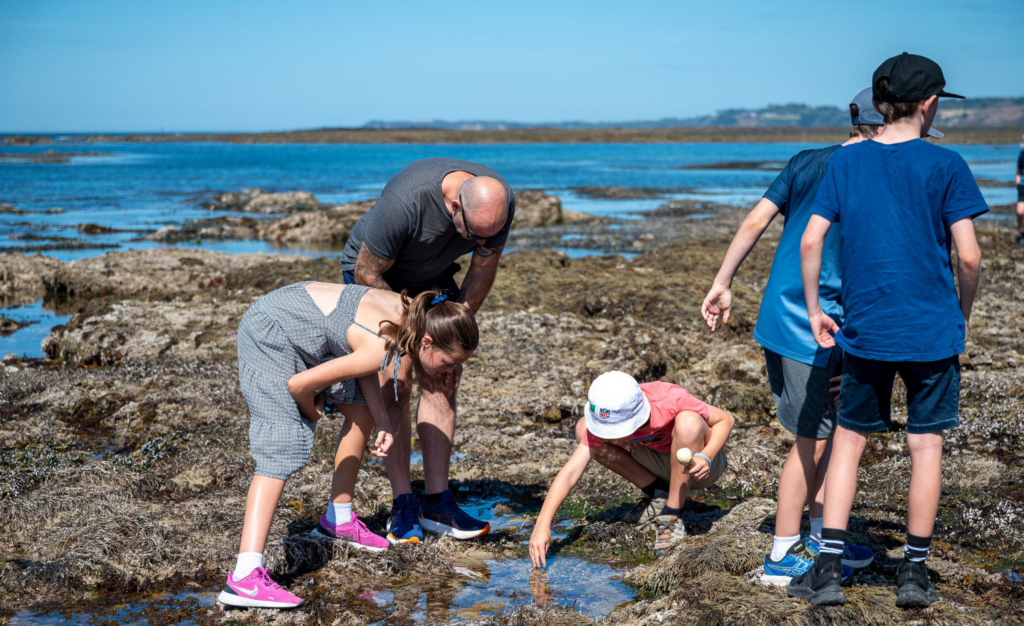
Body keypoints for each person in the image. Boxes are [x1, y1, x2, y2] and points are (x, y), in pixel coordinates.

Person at [791, 53, 985, 608]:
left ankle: (828, 566)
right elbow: (968, 258)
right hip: (931, 331)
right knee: (926, 446)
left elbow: (810, 240)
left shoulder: (846, 164)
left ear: (878, 104)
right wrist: (960, 317)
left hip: (867, 328)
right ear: (930, 105)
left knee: (849, 442)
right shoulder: (948, 166)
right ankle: (915, 573)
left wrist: (813, 310)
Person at [700, 88, 890, 586]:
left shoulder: (806, 161)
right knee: (814, 441)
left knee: (824, 434)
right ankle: (783, 554)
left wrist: (723, 281)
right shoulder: (870, 170)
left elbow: (755, 220)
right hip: (819, 324)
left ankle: (822, 536)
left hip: (779, 320)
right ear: (889, 121)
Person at [218, 282, 479, 609]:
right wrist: (310, 408)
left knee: (361, 408)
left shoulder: (417, 314)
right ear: (426, 343)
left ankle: (338, 519)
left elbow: (367, 364)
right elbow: (300, 384)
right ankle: (245, 576)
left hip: (302, 323)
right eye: (448, 362)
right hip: (271, 333)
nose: (451, 371)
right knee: (281, 445)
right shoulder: (386, 340)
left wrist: (382, 419)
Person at [340, 158, 515, 544]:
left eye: (492, 236)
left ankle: (437, 501)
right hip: (378, 278)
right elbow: (366, 271)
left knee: (442, 376)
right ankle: (403, 501)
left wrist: (451, 336)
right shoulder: (407, 202)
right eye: (476, 236)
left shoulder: (495, 204)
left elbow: (483, 271)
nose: (483, 244)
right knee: (397, 380)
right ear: (456, 207)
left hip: (435, 278)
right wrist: (413, 334)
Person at [528, 371, 735, 567]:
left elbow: (726, 419)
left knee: (688, 422)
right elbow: (571, 471)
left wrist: (706, 457)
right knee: (584, 428)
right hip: (657, 463)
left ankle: (672, 514)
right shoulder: (608, 409)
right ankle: (657, 493)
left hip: (698, 466)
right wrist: (543, 524)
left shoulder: (667, 398)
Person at [1015, 133, 1024, 244]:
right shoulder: (1022, 155)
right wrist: (1017, 180)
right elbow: (1019, 169)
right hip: (1022, 186)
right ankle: (1021, 232)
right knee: (1020, 211)